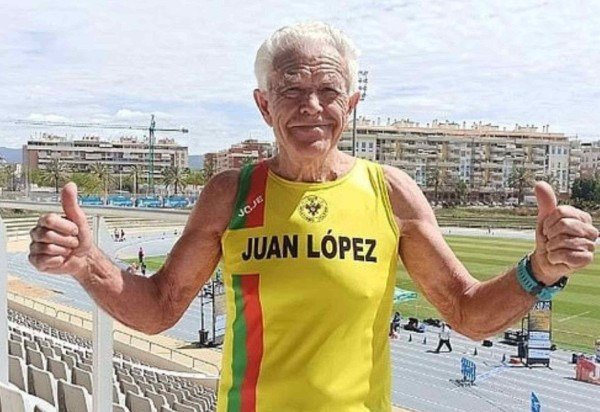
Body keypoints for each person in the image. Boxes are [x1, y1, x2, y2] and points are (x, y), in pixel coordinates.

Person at [28, 22, 597, 411]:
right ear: (263, 104)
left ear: (351, 105)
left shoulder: (390, 193)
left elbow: (466, 312)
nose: (312, 107)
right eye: (291, 90)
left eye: (329, 90)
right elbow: (159, 308)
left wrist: (540, 270)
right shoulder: (231, 193)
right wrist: (88, 262)